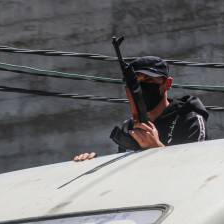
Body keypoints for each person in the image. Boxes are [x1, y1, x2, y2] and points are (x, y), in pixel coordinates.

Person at [74, 56, 209, 161]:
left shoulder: (189, 119)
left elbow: (194, 171)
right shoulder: (129, 126)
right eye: (135, 83)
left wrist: (156, 148)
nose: (141, 88)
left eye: (149, 80)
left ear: (167, 83)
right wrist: (92, 164)